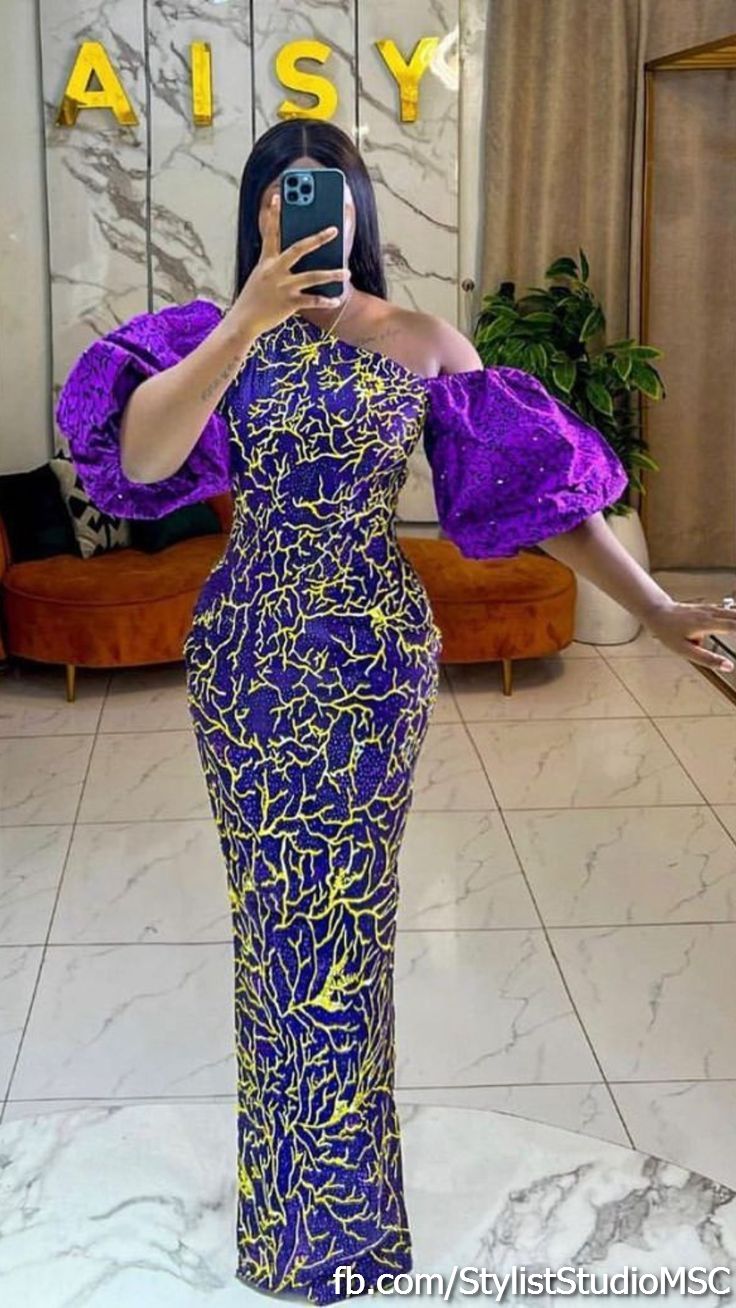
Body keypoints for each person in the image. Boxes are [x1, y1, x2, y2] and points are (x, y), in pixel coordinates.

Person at [54, 119, 736, 1305]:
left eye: (323, 189)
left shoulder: (421, 341)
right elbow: (147, 461)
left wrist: (657, 606)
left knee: (350, 926)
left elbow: (542, 493)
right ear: (257, 212)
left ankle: (348, 1227)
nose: (302, 207)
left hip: (370, 658)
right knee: (271, 926)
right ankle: (287, 1217)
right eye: (280, 191)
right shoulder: (207, 339)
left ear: (358, 208)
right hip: (250, 653)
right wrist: (245, 318)